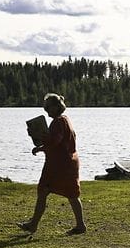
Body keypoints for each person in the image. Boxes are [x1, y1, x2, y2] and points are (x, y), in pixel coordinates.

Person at [17, 93, 87, 235]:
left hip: (60, 165)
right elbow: (57, 142)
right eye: (45, 107)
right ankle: (79, 225)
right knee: (69, 194)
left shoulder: (58, 122)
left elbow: (54, 141)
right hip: (67, 162)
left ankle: (34, 225)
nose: (46, 110)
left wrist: (39, 137)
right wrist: (41, 147)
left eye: (48, 107)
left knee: (46, 190)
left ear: (56, 106)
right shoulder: (64, 120)